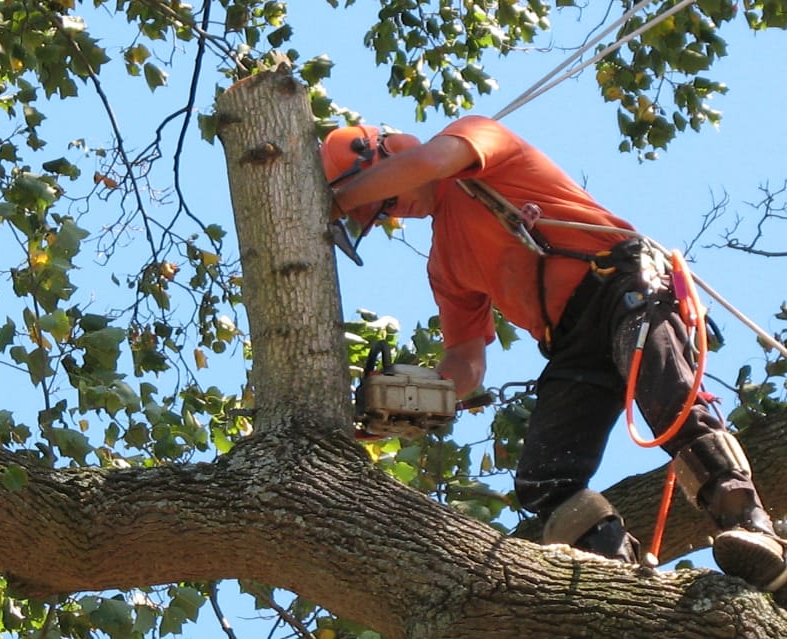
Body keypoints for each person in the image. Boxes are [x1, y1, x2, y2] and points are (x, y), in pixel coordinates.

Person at [320, 115, 787, 597]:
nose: (396, 212)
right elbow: (467, 359)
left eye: (386, 200)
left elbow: (433, 160)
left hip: (621, 287)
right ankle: (624, 584)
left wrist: (335, 201)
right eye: (383, 214)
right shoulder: (445, 264)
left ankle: (751, 526)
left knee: (665, 397)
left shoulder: (473, 142)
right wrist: (419, 400)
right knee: (544, 479)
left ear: (389, 151)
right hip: (570, 344)